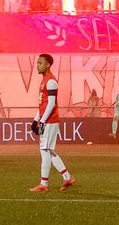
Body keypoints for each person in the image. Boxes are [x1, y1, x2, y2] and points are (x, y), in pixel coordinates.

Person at [29, 53, 75, 192]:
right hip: (47, 120)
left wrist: (42, 121)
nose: (38, 65)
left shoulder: (51, 81)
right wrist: (36, 120)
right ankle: (67, 177)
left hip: (50, 120)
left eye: (40, 63)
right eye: (37, 63)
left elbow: (51, 104)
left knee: (45, 150)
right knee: (47, 150)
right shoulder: (45, 80)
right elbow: (43, 105)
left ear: (48, 64)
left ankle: (44, 184)